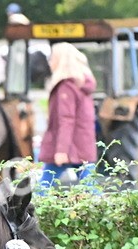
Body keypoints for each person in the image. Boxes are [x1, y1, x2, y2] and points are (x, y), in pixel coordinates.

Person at [39, 42, 98, 187]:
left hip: (67, 147)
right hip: (83, 146)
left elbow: (66, 120)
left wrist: (61, 150)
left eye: (52, 57)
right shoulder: (81, 85)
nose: (50, 62)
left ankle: (33, 210)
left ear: (61, 60)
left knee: (43, 188)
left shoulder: (66, 87)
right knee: (91, 190)